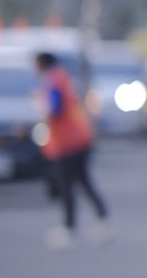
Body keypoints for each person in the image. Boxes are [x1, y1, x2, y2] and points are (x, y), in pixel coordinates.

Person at [35, 51, 112, 249]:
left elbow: (55, 107)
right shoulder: (63, 76)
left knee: (67, 186)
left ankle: (69, 229)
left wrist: (41, 108)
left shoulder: (53, 79)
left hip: (66, 142)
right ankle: (103, 221)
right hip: (79, 138)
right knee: (84, 183)